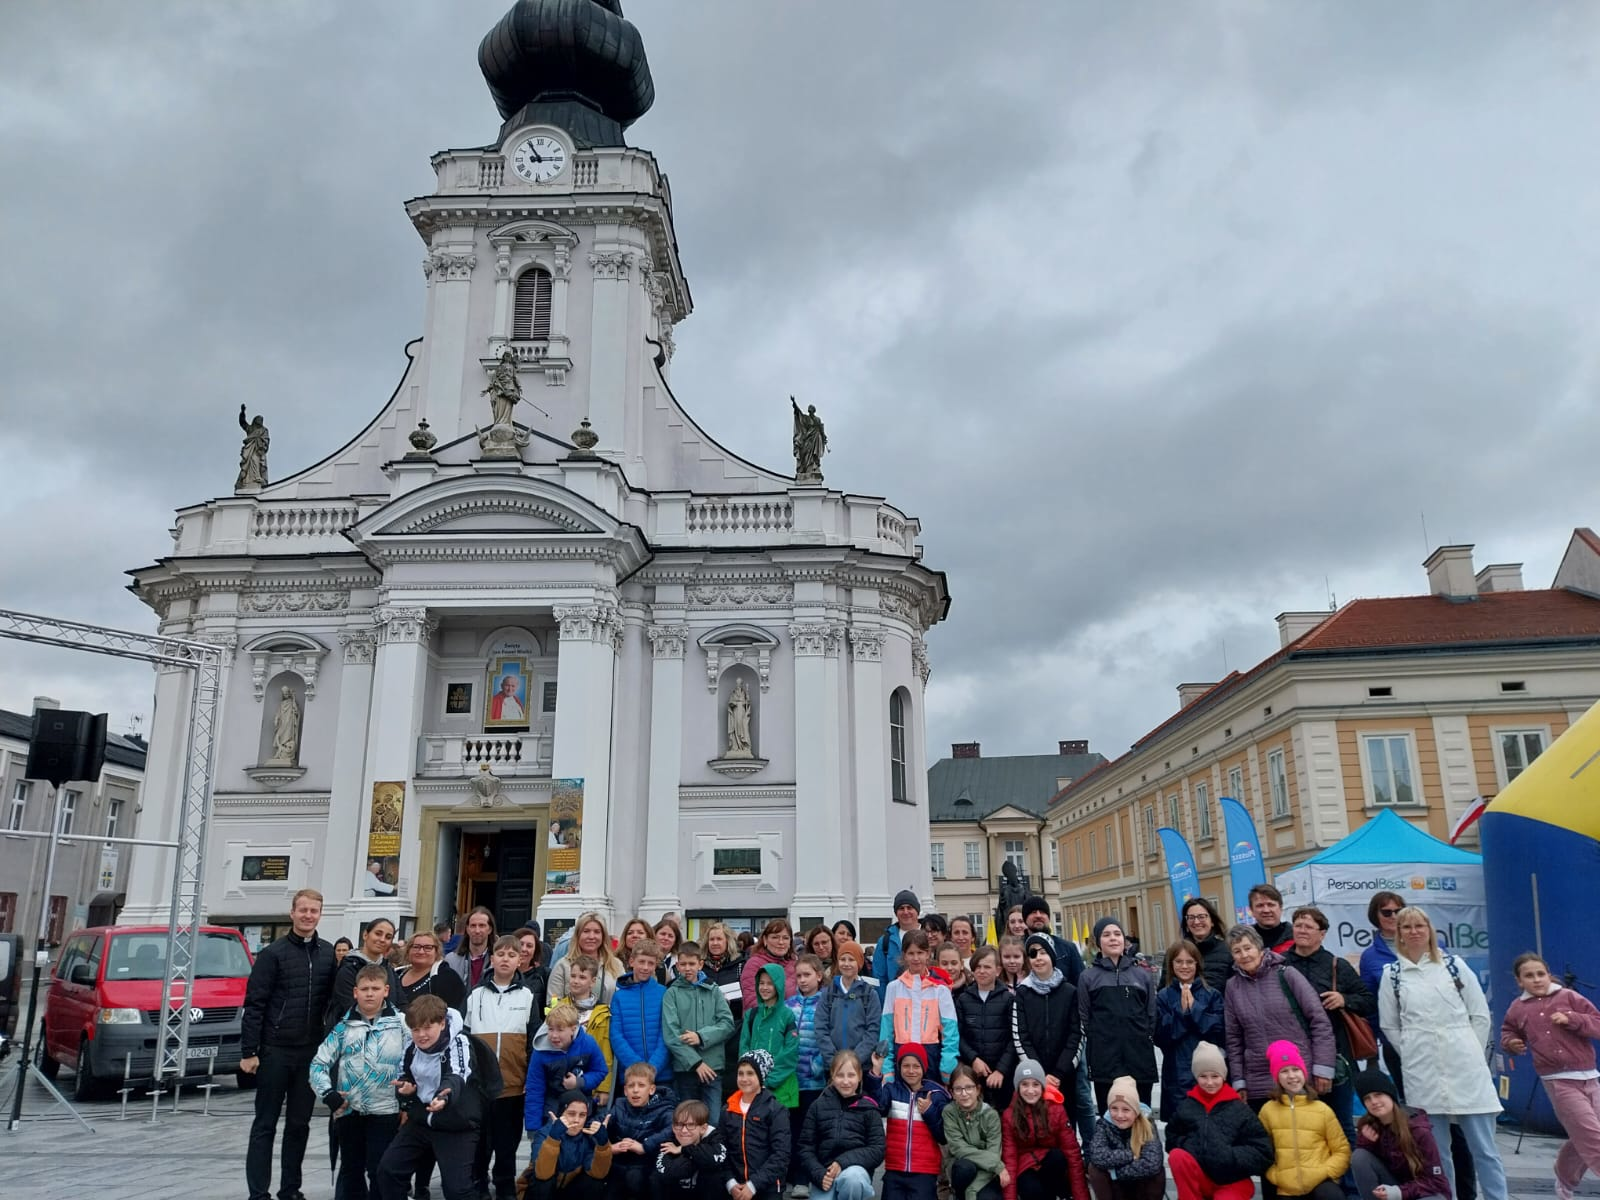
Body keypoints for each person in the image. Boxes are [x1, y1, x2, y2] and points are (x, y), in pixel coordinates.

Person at [1378, 907, 1509, 1200]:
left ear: (1429, 930)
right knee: (1434, 1154)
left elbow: (1480, 1015)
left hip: (1465, 1066)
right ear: (1398, 934)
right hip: (1422, 1071)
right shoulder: (1393, 974)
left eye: (1419, 925)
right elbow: (1389, 1024)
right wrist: (1412, 1050)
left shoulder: (1455, 967)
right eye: (1406, 927)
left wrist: (1469, 1050)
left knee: (1484, 1150)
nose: (1413, 931)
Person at [239, 888, 339, 1200]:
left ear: (320, 914)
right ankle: (258, 1192)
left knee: (299, 1124)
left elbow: (331, 1003)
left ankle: (290, 1189)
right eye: (303, 910)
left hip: (309, 1052)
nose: (308, 915)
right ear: (292, 913)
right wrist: (249, 1051)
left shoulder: (326, 953)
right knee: (265, 1124)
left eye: (314, 911)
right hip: (275, 1051)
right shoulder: (273, 954)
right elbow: (255, 1004)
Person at [1500, 951, 1600, 1200]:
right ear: (1519, 981)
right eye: (1529, 976)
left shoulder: (1569, 997)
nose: (1536, 980)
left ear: (1549, 975)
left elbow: (1597, 1022)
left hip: (1589, 1076)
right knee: (1591, 1136)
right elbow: (1508, 1031)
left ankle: (1564, 1176)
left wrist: (1572, 1019)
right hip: (1558, 1081)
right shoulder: (1518, 1008)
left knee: (1582, 1134)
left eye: (1540, 974)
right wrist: (1512, 1043)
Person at [1283, 905, 1377, 1159]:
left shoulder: (1337, 965)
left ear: (1322, 933)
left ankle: (1350, 1187)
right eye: (1298, 925)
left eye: (1308, 926)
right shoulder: (1279, 965)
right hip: (1294, 1058)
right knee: (1302, 1128)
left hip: (1338, 1058)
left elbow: (1367, 1000)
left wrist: (1343, 999)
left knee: (1341, 1125)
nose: (1301, 931)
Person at [309, 963, 406, 1200]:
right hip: (349, 1111)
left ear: (386, 990)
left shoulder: (402, 1025)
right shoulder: (343, 1028)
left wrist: (408, 1101)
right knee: (352, 1172)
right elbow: (318, 1064)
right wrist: (328, 1094)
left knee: (379, 1170)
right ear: (355, 992)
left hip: (386, 1111)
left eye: (375, 988)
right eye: (364, 989)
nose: (369, 993)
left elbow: (415, 1061)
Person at [374, 995, 483, 1200]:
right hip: (421, 1119)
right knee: (388, 1171)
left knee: (457, 1189)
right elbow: (404, 1074)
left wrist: (443, 1098)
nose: (421, 1035)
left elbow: (457, 1075)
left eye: (427, 1028)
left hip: (456, 1122)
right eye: (416, 1030)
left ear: (442, 1024)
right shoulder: (411, 1046)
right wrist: (405, 1088)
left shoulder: (459, 1042)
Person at [1221, 924, 1334, 1109]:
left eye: (1248, 948)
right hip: (1258, 1081)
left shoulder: (1287, 974)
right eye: (1237, 951)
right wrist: (1239, 1080)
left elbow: (1319, 1021)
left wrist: (1322, 1067)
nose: (1244, 955)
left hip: (1296, 1075)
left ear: (1259, 948)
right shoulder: (1233, 987)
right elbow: (1234, 1038)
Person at [465, 935, 543, 1200]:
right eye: (501, 954)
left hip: (513, 1084)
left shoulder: (527, 996)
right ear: (492, 957)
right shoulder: (476, 995)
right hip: (481, 1086)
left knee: (507, 1142)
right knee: (481, 1141)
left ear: (520, 959)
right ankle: (478, 1183)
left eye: (512, 955)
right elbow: (465, 1037)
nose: (506, 959)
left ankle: (504, 1184)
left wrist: (528, 1076)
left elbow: (533, 1040)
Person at [1164, 1041, 1274, 1200]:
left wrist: (1228, 1155)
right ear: (1196, 1077)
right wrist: (1190, 1145)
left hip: (1233, 1181)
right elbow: (1172, 1138)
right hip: (1202, 1177)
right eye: (1203, 1076)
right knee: (1177, 1156)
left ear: (1223, 1076)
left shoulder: (1239, 1109)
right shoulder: (1186, 1107)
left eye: (1215, 1076)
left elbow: (1263, 1152)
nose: (1209, 1082)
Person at [1026, 899, 1093, 1140]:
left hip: (1069, 1036)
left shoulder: (1067, 949)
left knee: (1081, 1095)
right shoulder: (1021, 949)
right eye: (1032, 913)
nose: (1038, 916)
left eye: (1042, 912)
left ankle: (1088, 1149)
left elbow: (1080, 985)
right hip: (1035, 1039)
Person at [1078, 919, 1157, 1111]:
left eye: (1117, 934)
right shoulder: (1088, 977)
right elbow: (1085, 1017)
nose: (1113, 939)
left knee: (1141, 1114)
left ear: (1124, 939)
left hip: (1139, 1057)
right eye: (1106, 935)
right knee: (1110, 1115)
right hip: (1105, 1059)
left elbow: (1151, 1014)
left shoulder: (1142, 975)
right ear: (1098, 942)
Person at [1258, 1040, 1350, 1200]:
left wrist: (1326, 1172)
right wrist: (1275, 1175)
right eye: (1284, 1071)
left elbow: (1341, 1150)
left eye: (1296, 1069)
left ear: (1303, 1072)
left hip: (1320, 1183)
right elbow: (1262, 1150)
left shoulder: (1322, 1109)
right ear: (1276, 1077)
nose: (1292, 1076)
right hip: (1286, 1188)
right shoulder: (1268, 1110)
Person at [796, 1048, 886, 1199]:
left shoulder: (869, 1108)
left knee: (852, 1180)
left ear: (859, 1076)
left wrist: (842, 1162)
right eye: (840, 1075)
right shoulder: (818, 1106)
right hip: (825, 1174)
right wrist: (818, 1174)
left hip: (855, 1171)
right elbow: (805, 1148)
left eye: (851, 1075)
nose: (845, 1081)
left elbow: (877, 1149)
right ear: (832, 1076)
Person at [1010, 933, 1081, 1126]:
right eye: (1033, 954)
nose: (1038, 958)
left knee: (1065, 1127)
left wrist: (1059, 1073)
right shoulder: (1023, 993)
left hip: (1063, 1076)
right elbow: (1020, 1035)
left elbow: (1077, 1035)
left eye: (1043, 953)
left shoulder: (1070, 992)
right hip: (1033, 1078)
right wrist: (1038, 1073)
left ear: (1052, 956)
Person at [866, 1042, 952, 1200]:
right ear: (899, 1067)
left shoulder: (937, 1094)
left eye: (916, 1066)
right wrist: (876, 1070)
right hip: (894, 1168)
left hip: (925, 1171)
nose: (911, 1071)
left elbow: (943, 1135)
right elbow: (877, 1106)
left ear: (924, 1068)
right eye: (906, 1066)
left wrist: (930, 1112)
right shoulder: (891, 1090)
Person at [1350, 1068, 1448, 1200]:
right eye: (1367, 1098)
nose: (1374, 1102)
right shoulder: (1368, 1127)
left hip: (1426, 1192)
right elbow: (1366, 1168)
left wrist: (1399, 1192)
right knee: (1359, 1156)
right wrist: (1367, 1144)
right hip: (1394, 1188)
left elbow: (1437, 1182)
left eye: (1378, 1094)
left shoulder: (1418, 1129)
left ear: (1390, 1095)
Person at [1154, 940, 1226, 1121]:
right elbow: (1160, 1036)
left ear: (1197, 964)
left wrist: (1194, 1009)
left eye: (1189, 961)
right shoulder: (1163, 996)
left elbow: (1218, 1031)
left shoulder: (1212, 994)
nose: (1184, 966)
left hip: (1208, 1074)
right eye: (1178, 962)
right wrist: (1181, 1012)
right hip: (1176, 1074)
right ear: (1171, 965)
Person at [663, 939, 736, 1112]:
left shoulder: (713, 990)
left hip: (712, 1067)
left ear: (700, 964)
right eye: (683, 964)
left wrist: (701, 1036)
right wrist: (695, 1063)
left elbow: (727, 1023)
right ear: (677, 966)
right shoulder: (671, 994)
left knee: (713, 1120)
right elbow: (671, 1034)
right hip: (685, 1068)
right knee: (688, 1118)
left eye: (691, 964)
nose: (687, 968)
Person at [1001, 1058, 1089, 1200]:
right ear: (1017, 1087)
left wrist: (1082, 1197)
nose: (1030, 1091)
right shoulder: (1009, 1116)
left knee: (1058, 1157)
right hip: (1026, 1166)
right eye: (1024, 1084)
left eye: (1035, 1084)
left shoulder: (1056, 1109)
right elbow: (1009, 1159)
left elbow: (1072, 1153)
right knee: (1031, 1190)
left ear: (1042, 1086)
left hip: (1052, 1164)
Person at [880, 930, 959, 1083]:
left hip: (931, 1055)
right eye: (911, 953)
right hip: (901, 1054)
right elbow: (886, 1030)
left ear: (928, 953)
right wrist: (887, 1067)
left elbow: (950, 1031)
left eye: (920, 952)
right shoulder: (894, 988)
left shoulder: (940, 989)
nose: (916, 958)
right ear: (904, 955)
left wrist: (947, 1065)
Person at [525, 1000, 610, 1131]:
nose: (554, 1035)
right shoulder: (540, 1051)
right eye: (551, 1029)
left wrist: (580, 1082)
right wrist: (533, 1127)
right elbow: (534, 1090)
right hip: (551, 1111)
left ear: (573, 1029)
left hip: (581, 1110)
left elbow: (600, 1070)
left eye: (560, 1030)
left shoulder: (588, 1043)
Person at [720, 1049, 793, 1200]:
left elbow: (781, 1154)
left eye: (750, 1073)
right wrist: (730, 1182)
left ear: (761, 1076)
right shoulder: (727, 1109)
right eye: (741, 1073)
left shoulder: (776, 1110)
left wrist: (753, 1185)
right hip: (736, 1188)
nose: (744, 1078)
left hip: (768, 1187)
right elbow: (721, 1149)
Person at [1084, 1075, 1165, 1200]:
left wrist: (1115, 1172)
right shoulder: (1103, 1124)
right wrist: (1130, 1155)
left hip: (1139, 1184)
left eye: (1126, 1109)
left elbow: (1152, 1163)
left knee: (1158, 1173)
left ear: (1135, 1110)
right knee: (1094, 1169)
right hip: (1116, 1188)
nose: (1119, 1115)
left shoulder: (1147, 1124)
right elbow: (1097, 1155)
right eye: (1114, 1108)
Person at [519, 1089, 611, 1199]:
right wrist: (553, 1138)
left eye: (582, 1115)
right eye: (571, 1114)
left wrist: (603, 1144)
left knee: (595, 1182)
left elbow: (598, 1174)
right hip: (541, 1190)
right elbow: (542, 1173)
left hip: (568, 1191)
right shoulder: (544, 1133)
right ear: (561, 1113)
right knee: (543, 1182)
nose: (576, 1120)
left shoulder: (587, 1137)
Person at [957, 945, 1017, 1114]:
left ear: (998, 970)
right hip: (973, 1072)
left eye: (987, 967)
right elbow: (958, 1035)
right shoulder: (964, 999)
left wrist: (1001, 1070)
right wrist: (973, 1059)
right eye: (978, 967)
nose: (982, 971)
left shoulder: (1008, 999)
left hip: (1002, 1074)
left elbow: (1014, 1038)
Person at [741, 963, 801, 1127]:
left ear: (778, 985)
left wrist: (768, 1080)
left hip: (782, 1091)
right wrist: (752, 1079)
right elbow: (744, 1049)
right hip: (755, 1091)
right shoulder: (751, 1015)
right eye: (761, 983)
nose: (765, 987)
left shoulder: (787, 1015)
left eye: (770, 983)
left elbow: (790, 1052)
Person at [606, 1061, 678, 1197]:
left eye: (641, 1085)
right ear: (625, 1091)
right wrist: (610, 1147)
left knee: (634, 1179)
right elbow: (599, 1122)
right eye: (631, 1086)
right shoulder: (619, 1105)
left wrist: (645, 1146)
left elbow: (672, 1128)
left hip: (647, 1163)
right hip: (619, 1161)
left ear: (651, 1089)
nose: (635, 1090)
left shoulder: (664, 1108)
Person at [815, 938, 882, 1078]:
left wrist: (855, 1060)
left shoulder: (869, 994)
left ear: (859, 963)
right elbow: (821, 1028)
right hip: (833, 1067)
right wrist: (834, 1060)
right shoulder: (828, 993)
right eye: (843, 959)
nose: (846, 964)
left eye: (851, 960)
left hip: (861, 1067)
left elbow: (873, 1030)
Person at [612, 939, 673, 1089]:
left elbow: (666, 1033)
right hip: (630, 1075)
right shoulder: (619, 996)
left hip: (661, 1074)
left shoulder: (662, 993)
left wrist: (652, 1068)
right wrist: (637, 1068)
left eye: (650, 963)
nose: (645, 967)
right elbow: (616, 1036)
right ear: (632, 961)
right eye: (642, 962)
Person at [555, 953, 615, 1104]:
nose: (575, 981)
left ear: (593, 981)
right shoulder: (559, 1008)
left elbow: (606, 1053)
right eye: (573, 976)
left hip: (592, 1082)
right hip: (563, 1082)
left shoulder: (604, 1012)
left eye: (582, 977)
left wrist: (603, 1087)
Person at [326, 917, 403, 1029]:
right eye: (378, 933)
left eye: (388, 937)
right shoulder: (349, 968)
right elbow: (349, 1006)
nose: (382, 939)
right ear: (365, 935)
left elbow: (400, 1002)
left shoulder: (388, 968)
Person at [946, 1062, 1007, 1200]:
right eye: (958, 1089)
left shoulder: (991, 1115)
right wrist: (997, 1166)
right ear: (952, 1093)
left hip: (987, 1172)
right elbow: (958, 1148)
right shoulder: (949, 1112)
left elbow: (994, 1153)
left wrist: (972, 1191)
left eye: (969, 1088)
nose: (964, 1093)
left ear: (978, 1089)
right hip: (963, 1170)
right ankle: (959, 1195)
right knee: (965, 1167)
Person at [790, 953, 829, 1149]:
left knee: (811, 1130)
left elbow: (830, 1037)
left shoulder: (826, 1003)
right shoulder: (789, 1005)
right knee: (792, 1129)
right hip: (791, 1080)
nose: (803, 980)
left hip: (814, 1080)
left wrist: (818, 1065)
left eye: (807, 975)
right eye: (799, 976)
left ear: (819, 976)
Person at [657, 1097, 734, 1198]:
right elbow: (667, 1173)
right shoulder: (669, 1141)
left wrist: (683, 1149)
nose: (684, 1130)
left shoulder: (715, 1138)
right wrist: (698, 1158)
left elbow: (715, 1159)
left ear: (703, 1128)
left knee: (713, 1175)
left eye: (690, 1125)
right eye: (679, 1124)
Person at [545, 913, 621, 1006]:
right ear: (578, 935)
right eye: (586, 931)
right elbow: (553, 1003)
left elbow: (623, 999)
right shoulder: (563, 965)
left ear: (603, 936)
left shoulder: (615, 965)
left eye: (597, 932)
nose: (591, 936)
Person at [396, 929, 468, 1014]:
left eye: (428, 948)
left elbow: (453, 1014)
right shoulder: (397, 973)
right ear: (408, 951)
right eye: (416, 947)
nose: (421, 951)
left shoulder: (447, 977)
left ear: (437, 952)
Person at [874, 891, 925, 998]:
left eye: (910, 907)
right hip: (897, 1001)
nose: (906, 912)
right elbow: (880, 979)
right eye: (901, 908)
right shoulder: (885, 942)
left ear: (917, 911)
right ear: (896, 913)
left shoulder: (929, 936)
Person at [1176, 899, 1234, 991]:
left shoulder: (1228, 951)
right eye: (1191, 917)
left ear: (1212, 921)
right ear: (1186, 924)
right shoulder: (1175, 952)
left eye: (1201, 917)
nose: (1196, 922)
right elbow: (1164, 990)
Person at [743, 919, 799, 1009]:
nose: (781, 942)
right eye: (775, 937)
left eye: (785, 938)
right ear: (765, 940)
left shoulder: (796, 965)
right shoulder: (753, 964)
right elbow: (752, 1001)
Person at [443, 907, 496, 991]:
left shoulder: (498, 961)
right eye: (473, 926)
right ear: (467, 929)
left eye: (482, 926)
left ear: (489, 929)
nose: (477, 930)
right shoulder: (451, 960)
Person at [1248, 886, 1294, 955]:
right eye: (1260, 905)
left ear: (1281, 908)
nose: (1266, 910)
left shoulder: (1296, 937)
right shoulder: (1243, 940)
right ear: (1252, 911)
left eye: (1271, 905)